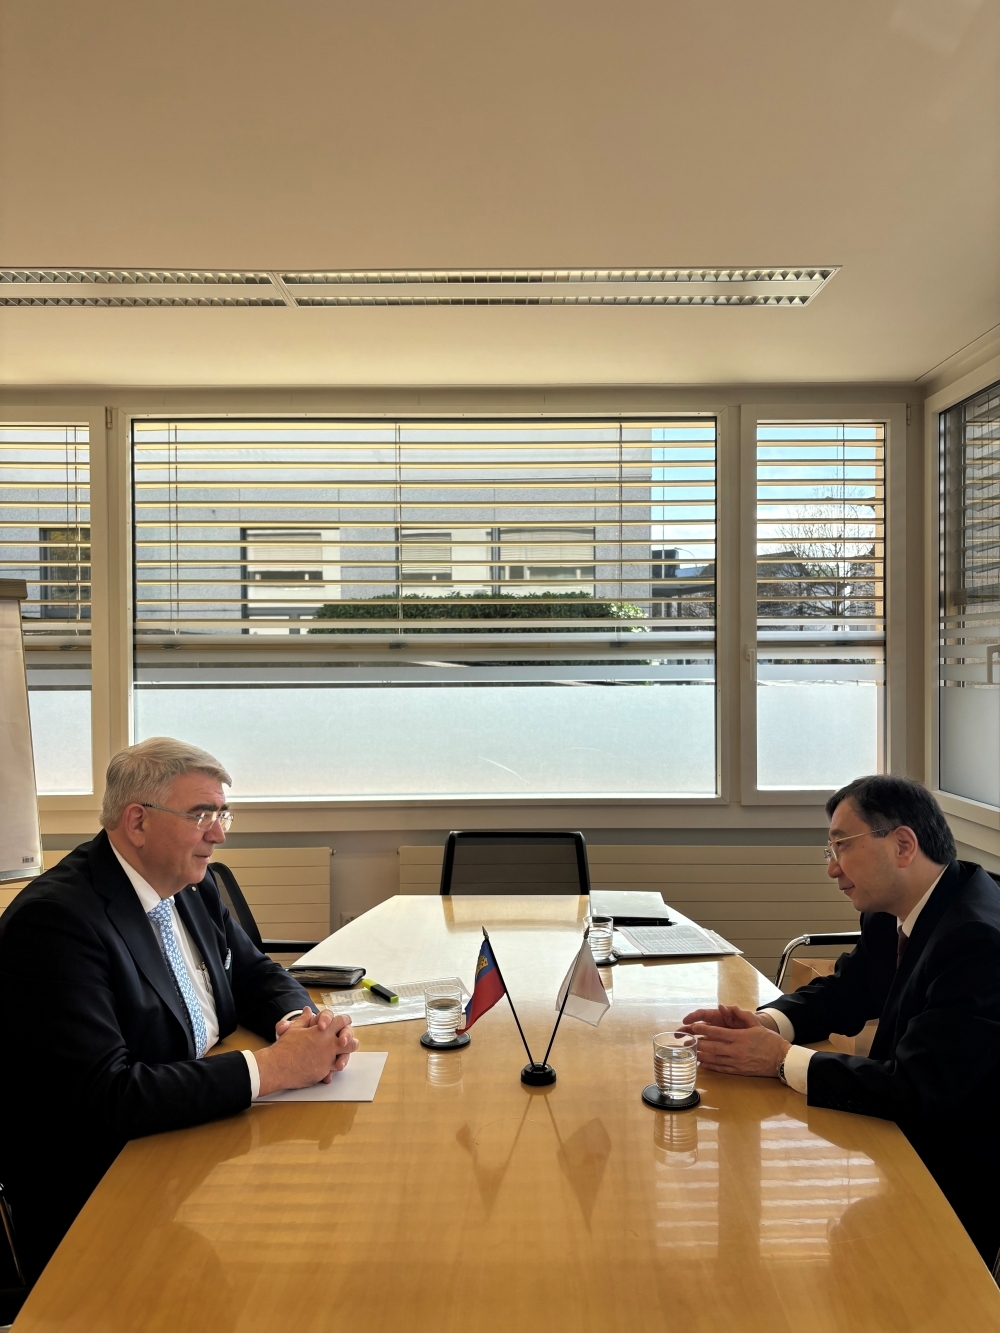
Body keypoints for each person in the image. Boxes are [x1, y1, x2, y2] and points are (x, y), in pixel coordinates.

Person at [0, 737, 359, 1282]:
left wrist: (299, 1025)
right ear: (137, 822)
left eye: (222, 814)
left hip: (195, 1142)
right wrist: (276, 1068)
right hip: (104, 1198)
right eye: (200, 815)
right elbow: (108, 1098)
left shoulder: (191, 883)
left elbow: (255, 971)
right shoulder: (56, 923)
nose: (217, 833)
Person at [684, 774, 1000, 1266]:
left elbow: (917, 1089)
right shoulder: (895, 910)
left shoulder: (977, 940)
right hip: (904, 1141)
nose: (832, 868)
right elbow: (847, 992)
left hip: (962, 1174)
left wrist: (780, 1061)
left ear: (902, 845)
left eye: (841, 846)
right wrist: (767, 1025)